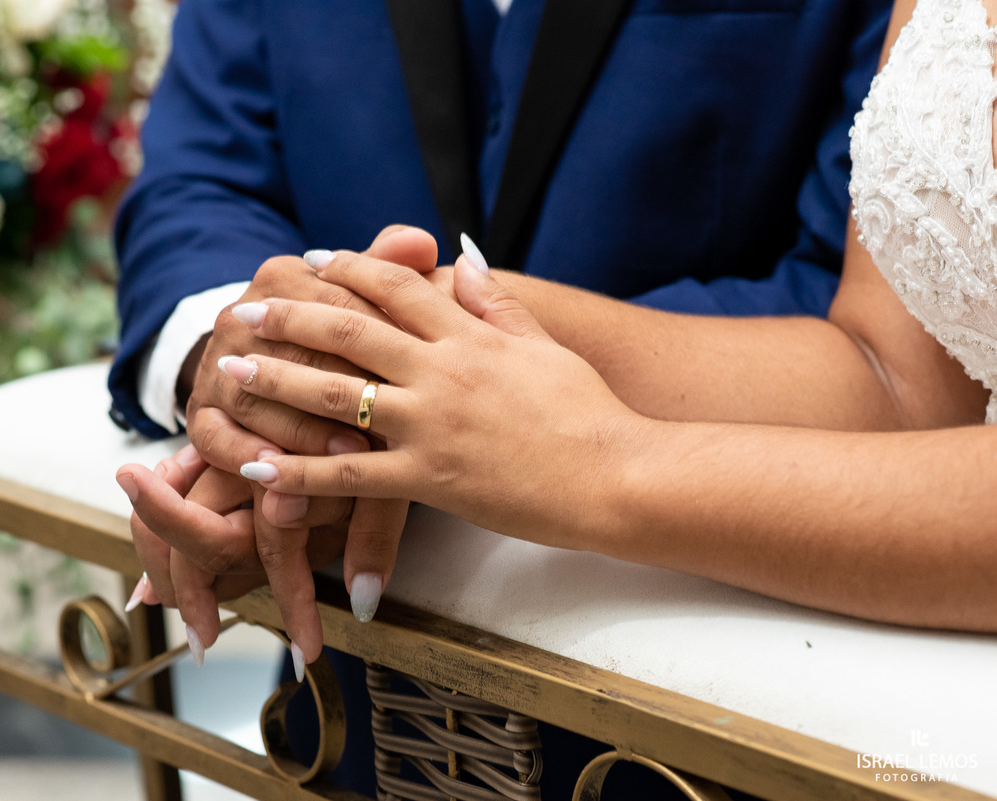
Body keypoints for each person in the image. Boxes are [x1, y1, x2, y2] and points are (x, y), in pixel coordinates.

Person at [119, 0, 997, 637]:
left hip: (713, 649)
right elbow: (201, 180)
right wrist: (256, 377)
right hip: (343, 676)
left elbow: (888, 340)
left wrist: (385, 360)